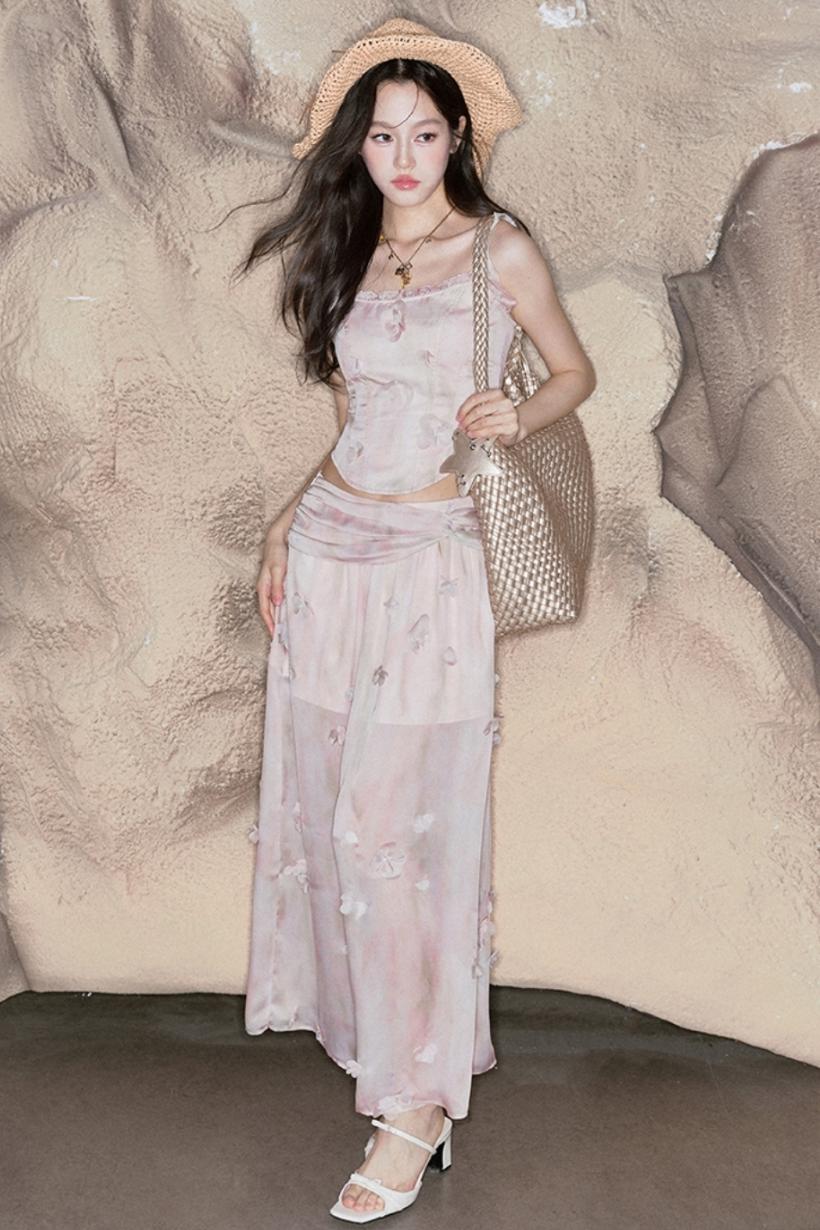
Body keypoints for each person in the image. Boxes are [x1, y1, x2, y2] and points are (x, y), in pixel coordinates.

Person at [237, 18, 596, 1224]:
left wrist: (518, 415)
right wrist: (285, 523)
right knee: (334, 821)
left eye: (424, 134)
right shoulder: (348, 248)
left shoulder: (498, 249)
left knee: (391, 828)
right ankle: (394, 1071)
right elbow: (357, 419)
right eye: (382, 135)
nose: (402, 156)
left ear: (455, 141)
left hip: (433, 563)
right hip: (329, 552)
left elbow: (572, 372)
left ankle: (419, 1106)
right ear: (359, 144)